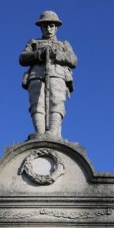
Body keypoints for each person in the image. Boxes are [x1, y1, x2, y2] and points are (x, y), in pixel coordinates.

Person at [19, 10, 77, 138]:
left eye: (51, 25)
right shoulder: (34, 43)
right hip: (37, 76)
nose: (48, 29)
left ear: (56, 28)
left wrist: (56, 54)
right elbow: (22, 58)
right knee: (37, 104)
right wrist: (38, 54)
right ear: (41, 27)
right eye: (45, 26)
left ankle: (52, 132)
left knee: (56, 103)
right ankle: (40, 133)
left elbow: (73, 60)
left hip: (57, 76)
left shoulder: (63, 44)